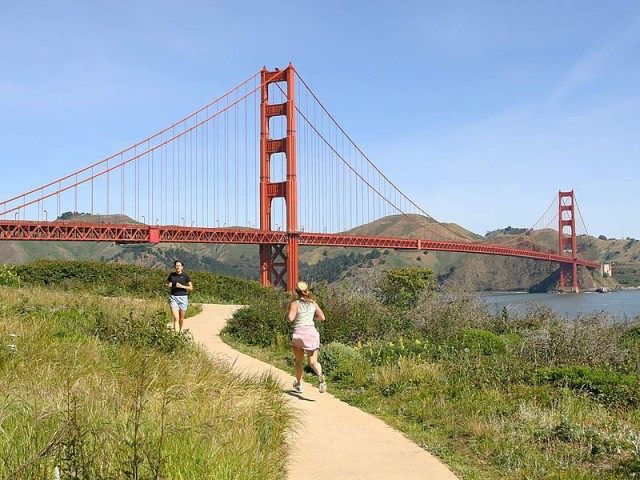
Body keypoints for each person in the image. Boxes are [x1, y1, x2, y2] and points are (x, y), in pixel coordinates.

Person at [286, 281, 327, 394]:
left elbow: (290, 318)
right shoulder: (313, 303)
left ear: (296, 291)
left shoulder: (294, 304)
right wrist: (312, 318)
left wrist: (287, 318)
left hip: (299, 334)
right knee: (313, 361)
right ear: (307, 290)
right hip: (312, 333)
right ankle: (320, 376)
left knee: (299, 361)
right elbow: (322, 317)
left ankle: (299, 385)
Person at [166, 260, 193, 332]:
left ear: (182, 267)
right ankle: (176, 334)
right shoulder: (171, 275)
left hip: (183, 298)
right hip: (173, 297)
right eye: (176, 265)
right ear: (174, 267)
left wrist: (182, 286)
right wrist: (168, 285)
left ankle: (179, 331)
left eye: (179, 265)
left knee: (181, 319)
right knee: (176, 318)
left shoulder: (185, 276)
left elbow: (191, 288)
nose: (177, 267)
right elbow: (168, 284)